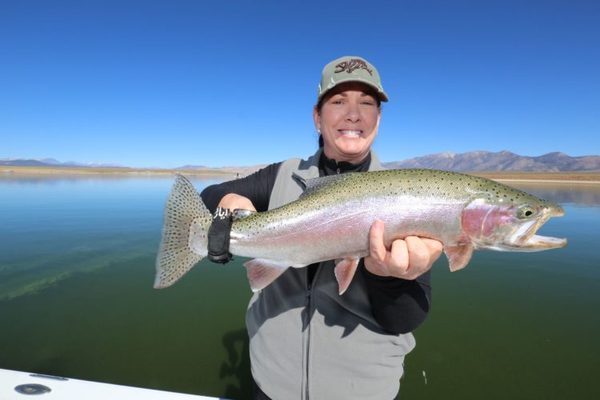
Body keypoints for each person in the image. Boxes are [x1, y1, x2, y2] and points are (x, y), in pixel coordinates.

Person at [200, 56, 443, 400]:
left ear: (379, 118)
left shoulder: (405, 194)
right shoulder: (283, 175)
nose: (353, 114)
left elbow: (402, 320)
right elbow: (209, 195)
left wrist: (390, 275)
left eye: (367, 103)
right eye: (338, 101)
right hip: (270, 383)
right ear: (317, 117)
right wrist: (229, 204)